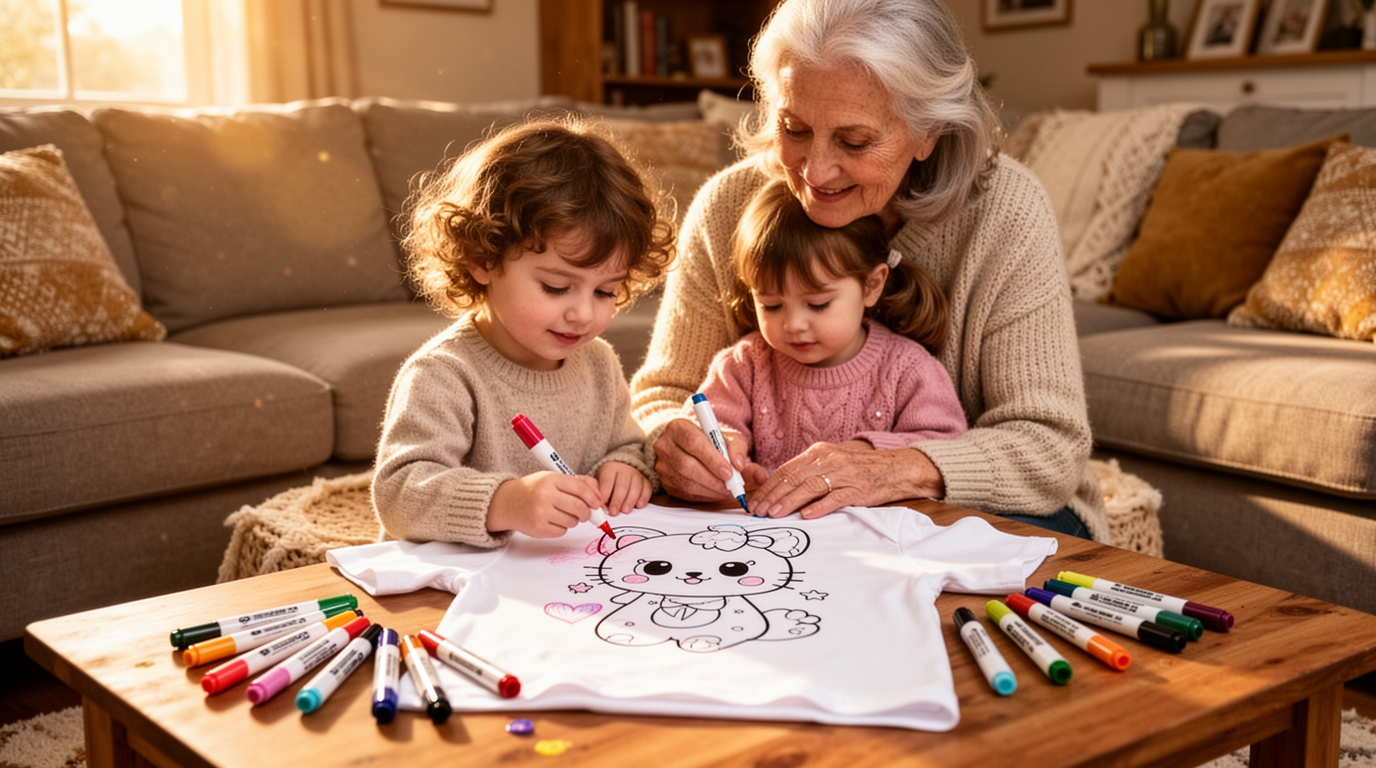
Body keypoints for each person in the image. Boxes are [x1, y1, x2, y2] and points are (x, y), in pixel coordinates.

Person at [631, 0, 1109, 541]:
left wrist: (897, 468)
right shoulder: (728, 205)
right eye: (794, 127)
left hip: (988, 510)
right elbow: (663, 394)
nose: (814, 170)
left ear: (929, 131)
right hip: (786, 518)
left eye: (854, 141)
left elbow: (1049, 445)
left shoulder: (1006, 210)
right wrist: (675, 442)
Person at [374, 116, 675, 546]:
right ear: (483, 259)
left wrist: (625, 469)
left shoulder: (599, 365)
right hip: (450, 591)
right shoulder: (443, 374)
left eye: (606, 292)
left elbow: (626, 445)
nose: (583, 314)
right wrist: (505, 502)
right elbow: (399, 494)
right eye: (556, 287)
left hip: (555, 582)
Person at [691, 178, 965, 494]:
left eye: (818, 304)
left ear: (872, 285)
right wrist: (724, 455)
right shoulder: (744, 366)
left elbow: (943, 448)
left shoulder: (908, 369)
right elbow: (705, 428)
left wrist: (874, 453)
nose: (793, 324)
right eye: (772, 305)